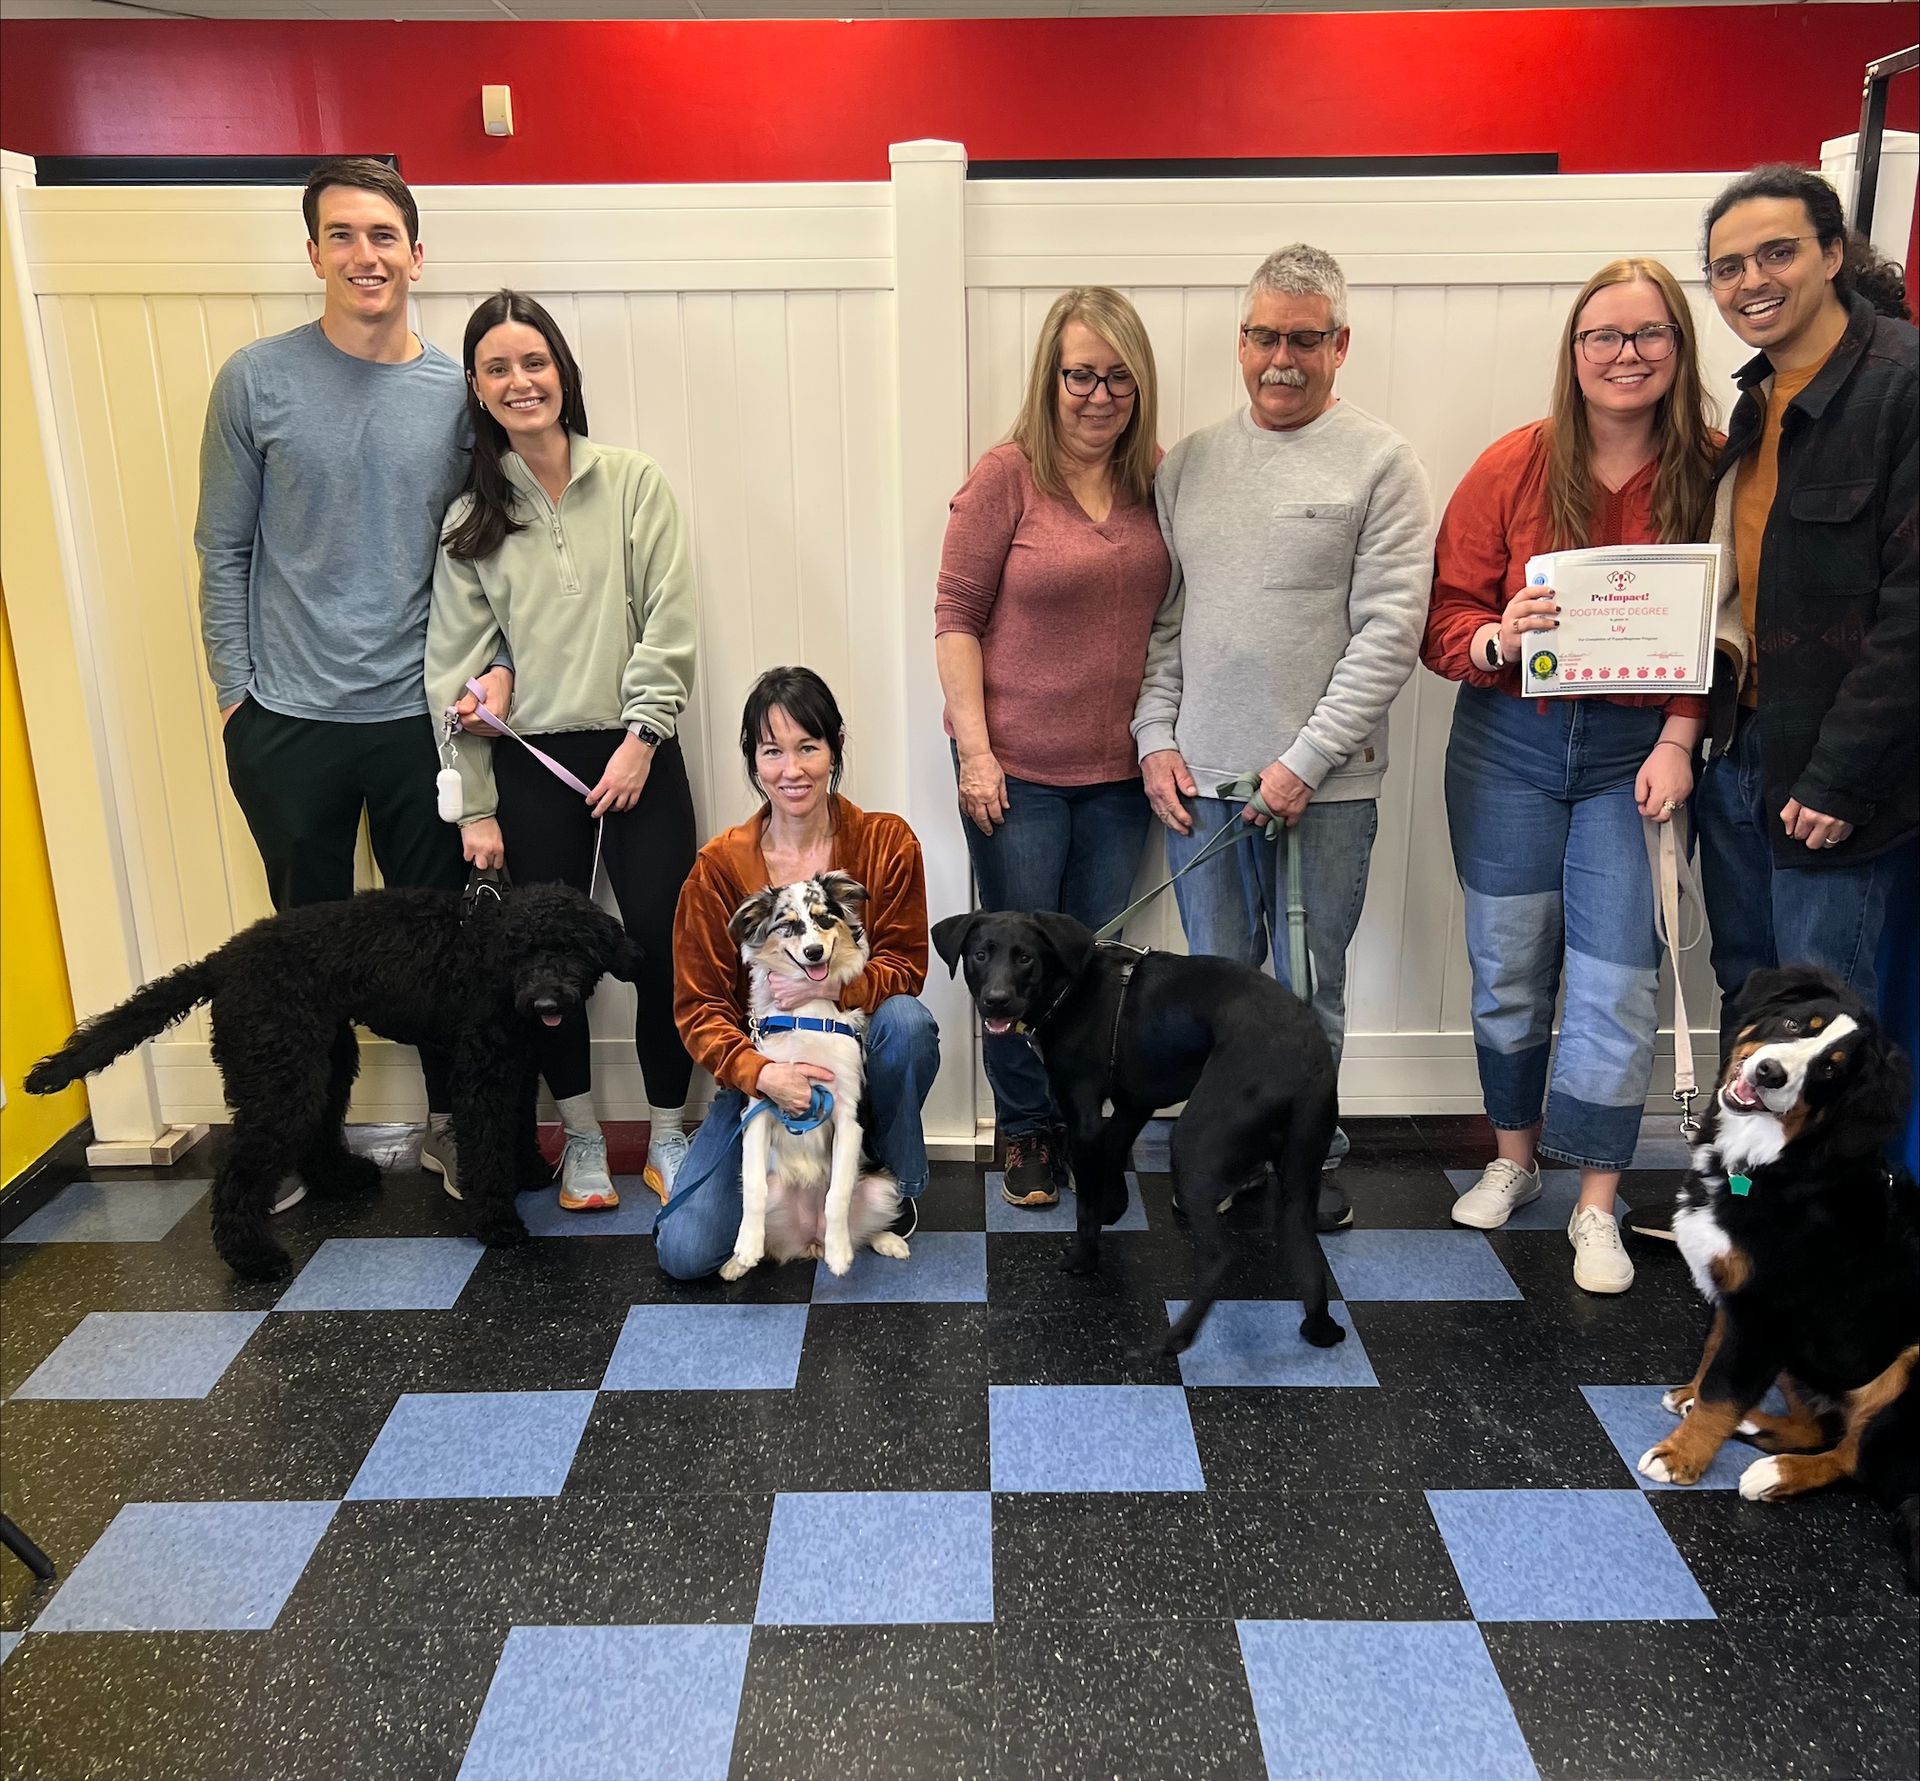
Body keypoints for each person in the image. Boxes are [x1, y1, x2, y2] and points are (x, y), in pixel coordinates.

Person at [195, 157, 502, 1212]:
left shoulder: (457, 393)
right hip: (287, 720)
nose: (365, 255)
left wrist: (487, 671)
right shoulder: (256, 380)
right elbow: (222, 547)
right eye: (342, 235)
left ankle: (454, 1130)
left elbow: (485, 549)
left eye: (384, 235)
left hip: (420, 718)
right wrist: (238, 696)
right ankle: (302, 1143)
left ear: (417, 253)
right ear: (314, 251)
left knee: (444, 940)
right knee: (302, 945)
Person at [1423, 260, 1717, 1294]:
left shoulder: (1714, 468)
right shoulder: (1515, 464)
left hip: (1633, 757)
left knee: (1614, 981)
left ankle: (1598, 1197)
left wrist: (1681, 736)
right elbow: (1445, 616)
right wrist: (1497, 639)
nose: (1626, 355)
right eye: (1604, 336)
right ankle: (1513, 1160)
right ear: (1574, 352)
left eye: (1648, 335)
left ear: (1679, 348)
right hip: (1508, 743)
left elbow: (1731, 631)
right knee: (1508, 967)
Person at [1131, 243, 1434, 1230]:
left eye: (1305, 339)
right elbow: (1166, 619)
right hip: (1200, 785)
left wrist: (1303, 764)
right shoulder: (1192, 464)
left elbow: (1389, 636)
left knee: (1306, 994)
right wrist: (1153, 739)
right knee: (1218, 989)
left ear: (1341, 344)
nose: (1281, 358)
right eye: (1264, 335)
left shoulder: (1383, 464)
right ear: (1242, 339)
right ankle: (1230, 1149)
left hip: (1325, 792)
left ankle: (1306, 1158)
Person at [426, 291, 699, 1211]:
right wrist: (476, 804)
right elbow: (454, 675)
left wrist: (641, 738)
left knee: (663, 945)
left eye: (534, 362)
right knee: (545, 968)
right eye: (498, 368)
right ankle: (581, 1137)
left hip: (637, 754)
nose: (520, 381)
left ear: (563, 372)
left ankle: (670, 1129)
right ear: (477, 387)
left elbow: (669, 621)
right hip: (531, 766)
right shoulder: (472, 519)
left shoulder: (632, 481)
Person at [934, 287, 1168, 1209]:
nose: (1098, 394)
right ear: (1051, 377)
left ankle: (1082, 1115)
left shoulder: (1155, 476)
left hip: (1120, 776)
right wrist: (975, 752)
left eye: (1117, 376)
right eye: (1080, 375)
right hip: (1016, 777)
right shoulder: (1008, 475)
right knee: (1009, 971)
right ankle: (1028, 1133)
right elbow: (955, 618)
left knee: (1089, 968)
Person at [1692, 165, 1916, 1014]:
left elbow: (1912, 617)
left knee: (1820, 1027)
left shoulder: (1902, 386)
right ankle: (1748, 1159)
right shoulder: (1756, 404)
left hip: (1835, 781)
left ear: (1831, 254)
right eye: (1728, 266)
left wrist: (1839, 778)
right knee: (1750, 1001)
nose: (1752, 281)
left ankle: (1826, 1160)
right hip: (1742, 751)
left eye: (1776, 253)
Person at [654, 668, 939, 1281]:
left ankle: (886, 1175)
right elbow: (697, 1007)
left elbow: (908, 966)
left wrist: (836, 985)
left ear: (833, 747)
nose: (792, 769)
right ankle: (792, 1191)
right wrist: (762, 1076)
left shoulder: (885, 842)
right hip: (764, 1078)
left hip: (849, 1054)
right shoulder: (719, 866)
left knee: (908, 1024)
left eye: (808, 747)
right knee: (684, 1253)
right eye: (773, 751)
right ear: (754, 761)